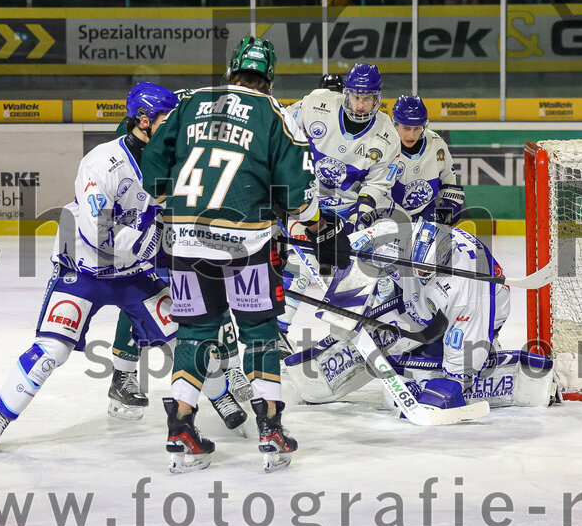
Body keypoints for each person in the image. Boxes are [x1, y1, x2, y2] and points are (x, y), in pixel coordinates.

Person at [139, 36, 343, 473]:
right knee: (260, 332)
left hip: (184, 242)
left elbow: (154, 156)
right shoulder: (274, 114)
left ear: (231, 70)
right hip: (244, 245)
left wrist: (162, 200)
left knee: (194, 334)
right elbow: (296, 189)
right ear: (269, 78)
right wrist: (316, 224)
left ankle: (181, 429)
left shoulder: (190, 102)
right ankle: (269, 428)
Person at [0, 82, 179, 454]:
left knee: (183, 336)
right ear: (143, 120)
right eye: (166, 119)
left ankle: (227, 400)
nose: (173, 127)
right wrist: (152, 237)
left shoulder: (173, 159)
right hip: (84, 270)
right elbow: (101, 236)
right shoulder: (103, 162)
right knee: (52, 350)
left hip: (133, 273)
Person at [283, 221, 558, 414]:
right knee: (373, 332)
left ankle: (492, 368)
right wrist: (343, 305)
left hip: (480, 313)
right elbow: (348, 252)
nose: (421, 273)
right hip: (418, 305)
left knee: (443, 369)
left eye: (427, 271)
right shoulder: (397, 237)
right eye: (417, 268)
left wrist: (451, 382)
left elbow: (464, 340)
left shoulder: (467, 284)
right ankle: (316, 380)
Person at [109, 88, 249, 429]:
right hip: (142, 238)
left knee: (213, 297)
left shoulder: (184, 128)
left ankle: (228, 371)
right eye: (164, 118)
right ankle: (123, 376)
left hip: (182, 231)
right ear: (144, 119)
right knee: (140, 299)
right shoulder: (119, 150)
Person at [277, 62, 399, 338]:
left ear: (377, 99)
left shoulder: (387, 135)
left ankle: (358, 331)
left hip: (345, 209)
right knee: (300, 265)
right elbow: (279, 131)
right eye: (356, 96)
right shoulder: (315, 104)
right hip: (305, 200)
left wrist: (360, 216)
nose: (360, 105)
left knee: (370, 266)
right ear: (346, 93)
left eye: (367, 98)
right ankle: (278, 330)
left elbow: (378, 182)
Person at [388, 94, 463, 224]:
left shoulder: (436, 145)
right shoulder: (384, 145)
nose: (411, 135)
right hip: (389, 213)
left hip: (426, 211)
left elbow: (449, 179)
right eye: (406, 128)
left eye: (417, 128)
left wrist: (451, 205)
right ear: (395, 125)